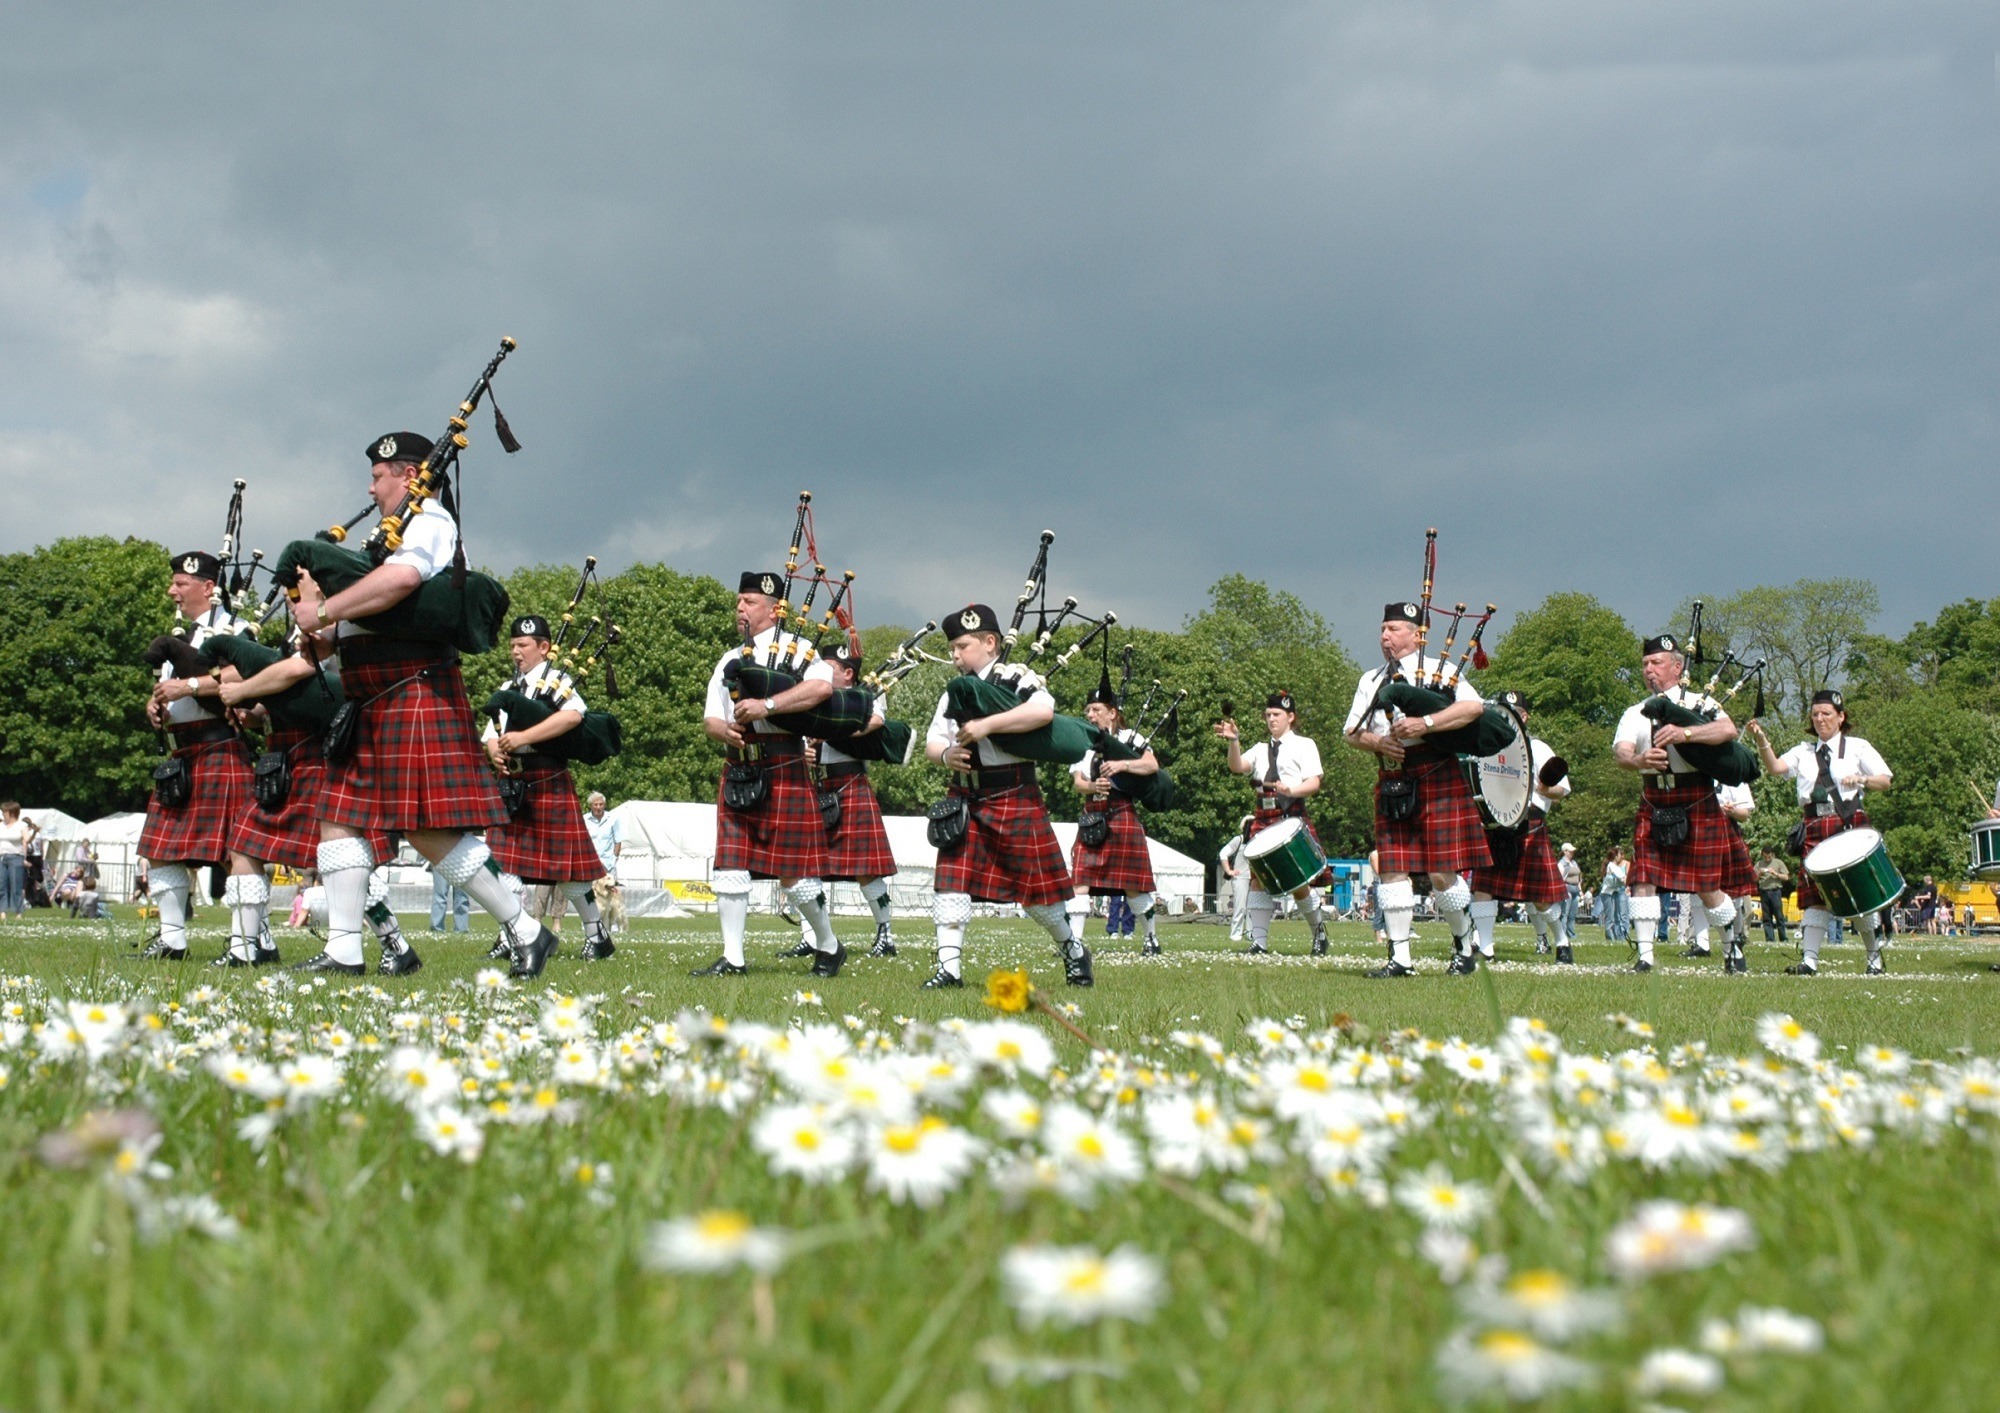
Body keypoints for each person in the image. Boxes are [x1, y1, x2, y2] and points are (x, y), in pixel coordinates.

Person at [289, 431, 559, 978]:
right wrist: (315, 610)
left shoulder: (429, 520)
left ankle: (528, 930)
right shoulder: (381, 536)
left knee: (425, 828)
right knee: (337, 818)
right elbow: (358, 617)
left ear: (407, 475)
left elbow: (402, 581)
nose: (370, 488)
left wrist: (324, 611)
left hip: (413, 689)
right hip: (372, 694)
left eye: (377, 477)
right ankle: (344, 949)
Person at [922, 602, 1093, 988]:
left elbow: (1043, 713)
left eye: (961, 646)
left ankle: (1073, 949)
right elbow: (933, 739)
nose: (954, 655)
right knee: (951, 883)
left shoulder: (1017, 676)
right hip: (964, 798)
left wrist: (986, 725)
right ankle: (949, 970)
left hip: (1013, 793)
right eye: (951, 648)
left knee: (1039, 896)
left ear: (989, 641)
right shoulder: (953, 692)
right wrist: (946, 754)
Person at [217, 640, 411, 970]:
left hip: (319, 755)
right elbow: (288, 696)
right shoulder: (296, 627)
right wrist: (254, 714)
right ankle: (245, 947)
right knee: (242, 842)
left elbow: (300, 669)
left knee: (342, 865)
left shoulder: (324, 622)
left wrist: (242, 689)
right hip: (286, 758)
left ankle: (396, 945)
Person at [691, 571, 843, 979]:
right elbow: (710, 718)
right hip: (740, 766)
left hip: (784, 766)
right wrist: (725, 730)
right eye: (738, 601)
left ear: (774, 609)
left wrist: (768, 706)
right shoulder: (729, 658)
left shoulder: (801, 651)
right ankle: (734, 958)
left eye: (750, 602)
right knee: (730, 864)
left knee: (793, 874)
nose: (741, 608)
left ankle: (828, 944)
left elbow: (821, 689)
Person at [1344, 602, 1489, 978]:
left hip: (1437, 771)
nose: (1385, 637)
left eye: (1393, 629)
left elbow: (1473, 707)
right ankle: (1401, 959)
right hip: (1393, 779)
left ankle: (1463, 944)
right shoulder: (1370, 680)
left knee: (1442, 872)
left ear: (1416, 634)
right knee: (1392, 869)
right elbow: (1351, 733)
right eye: (1382, 629)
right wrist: (1377, 742)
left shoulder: (1441, 672)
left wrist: (1425, 722)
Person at [137, 549, 257, 960]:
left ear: (208, 587)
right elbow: (175, 693)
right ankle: (172, 940)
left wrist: (187, 687)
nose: (172, 591)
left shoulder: (237, 628)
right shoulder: (184, 638)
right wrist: (158, 708)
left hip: (221, 746)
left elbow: (246, 675)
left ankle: (252, 942)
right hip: (183, 753)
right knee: (160, 848)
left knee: (233, 852)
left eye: (180, 584)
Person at [1611, 632, 1754, 973]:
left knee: (1706, 886)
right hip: (1654, 798)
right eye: (1645, 663)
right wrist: (1640, 760)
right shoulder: (1635, 712)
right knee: (1642, 879)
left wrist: (1684, 733)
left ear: (1677, 667)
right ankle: (1645, 957)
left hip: (1696, 798)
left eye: (1656, 663)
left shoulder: (1698, 705)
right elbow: (1621, 753)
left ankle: (1732, 950)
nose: (1649, 670)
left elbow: (1727, 730)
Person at [483, 614, 615, 962]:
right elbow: (489, 735)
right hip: (514, 783)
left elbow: (572, 717)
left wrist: (523, 737)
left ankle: (596, 935)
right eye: (512, 645)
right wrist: (496, 752)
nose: (515, 652)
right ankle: (510, 935)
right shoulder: (510, 688)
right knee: (505, 866)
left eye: (523, 645)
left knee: (567, 873)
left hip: (548, 780)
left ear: (544, 647)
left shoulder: (558, 682)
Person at [1747, 688, 1894, 976]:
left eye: (1826, 714)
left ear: (1841, 717)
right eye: (1815, 714)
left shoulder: (1858, 747)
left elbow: (1885, 781)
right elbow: (1776, 768)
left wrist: (1862, 778)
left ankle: (1874, 960)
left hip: (1848, 823)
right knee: (1814, 896)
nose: (1820, 719)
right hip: (1814, 826)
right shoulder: (1803, 751)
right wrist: (1762, 740)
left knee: (1860, 894)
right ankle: (1809, 961)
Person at [795, 643, 901, 958]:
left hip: (850, 783)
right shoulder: (813, 695)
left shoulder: (866, 696)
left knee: (866, 868)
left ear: (848, 673)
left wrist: (829, 731)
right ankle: (812, 938)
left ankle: (886, 935)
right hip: (817, 784)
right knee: (805, 866)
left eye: (828, 668)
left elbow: (875, 722)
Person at [1466, 693, 1574, 966]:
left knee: (1540, 897)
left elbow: (1563, 789)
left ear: (1524, 716)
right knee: (1483, 888)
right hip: (1495, 821)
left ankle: (1562, 940)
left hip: (1530, 821)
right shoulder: (1488, 745)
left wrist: (1545, 788)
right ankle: (1487, 948)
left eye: (1515, 711)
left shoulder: (1537, 748)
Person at [1222, 690, 1332, 957]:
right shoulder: (1260, 750)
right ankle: (1259, 943)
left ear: (1290, 717)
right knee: (1257, 879)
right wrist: (1234, 742)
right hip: (1263, 817)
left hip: (1291, 815)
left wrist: (1291, 790)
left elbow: (1315, 782)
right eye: (1268, 715)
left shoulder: (1305, 745)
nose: (1271, 719)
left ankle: (1319, 933)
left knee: (1297, 883)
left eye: (1277, 715)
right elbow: (1237, 767)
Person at [1068, 665, 1165, 955]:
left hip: (1122, 813)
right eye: (1088, 710)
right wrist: (1091, 787)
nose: (1090, 715)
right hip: (1092, 816)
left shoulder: (1130, 740)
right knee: (1081, 880)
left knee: (1132, 886)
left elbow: (1152, 765)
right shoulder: (1082, 742)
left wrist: (1123, 764)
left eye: (1096, 709)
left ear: (1112, 712)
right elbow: (1077, 783)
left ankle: (1150, 939)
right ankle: (1075, 944)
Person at [1683, 780, 1756, 972]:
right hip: (1698, 832)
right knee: (1698, 892)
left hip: (1727, 834)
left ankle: (1736, 940)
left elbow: (1745, 813)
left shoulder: (1733, 776)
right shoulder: (1694, 773)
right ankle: (1702, 942)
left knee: (1734, 894)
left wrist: (1728, 810)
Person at [582, 793, 627, 936]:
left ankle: (611, 924)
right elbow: (583, 841)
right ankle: (588, 923)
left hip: (608, 863)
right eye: (595, 805)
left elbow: (618, 840)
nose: (598, 807)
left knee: (611, 895)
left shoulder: (613, 819)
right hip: (591, 862)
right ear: (591, 806)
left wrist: (615, 858)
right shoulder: (584, 819)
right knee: (589, 894)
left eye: (601, 804)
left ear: (604, 805)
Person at [1217, 817, 1253, 942]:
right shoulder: (1239, 840)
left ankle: (1251, 933)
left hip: (1254, 879)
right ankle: (1235, 934)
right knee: (1240, 906)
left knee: (1253, 907)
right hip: (1240, 878)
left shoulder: (1257, 841)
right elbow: (1223, 853)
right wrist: (1228, 871)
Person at [0, 803, 36, 919]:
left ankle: (18, 912)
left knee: (16, 885)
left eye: (5, 812)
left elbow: (27, 839)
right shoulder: (1, 825)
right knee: (2, 885)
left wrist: (34, 833)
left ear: (12, 813)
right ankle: (2, 911)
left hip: (16, 857)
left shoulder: (21, 826)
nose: (3, 814)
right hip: (1, 857)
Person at [1755, 848, 1792, 943]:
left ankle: (1783, 938)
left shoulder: (1778, 863)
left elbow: (1786, 877)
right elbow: (1753, 879)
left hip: (1775, 891)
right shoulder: (1759, 864)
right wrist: (1759, 873)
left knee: (1779, 916)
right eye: (1765, 857)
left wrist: (1775, 873)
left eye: (1769, 857)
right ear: (1762, 855)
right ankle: (1770, 939)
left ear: (1773, 855)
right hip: (1764, 892)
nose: (1767, 859)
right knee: (1766, 917)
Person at [1599, 846, 1630, 942]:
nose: (1621, 856)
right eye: (1620, 854)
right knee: (1610, 917)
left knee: (1616, 916)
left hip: (1613, 892)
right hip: (1607, 894)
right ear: (1616, 856)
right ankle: (1610, 938)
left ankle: (1618, 936)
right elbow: (1623, 878)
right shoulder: (1611, 866)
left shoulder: (1614, 866)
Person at [1557, 844, 1583, 941]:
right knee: (1565, 914)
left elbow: (1578, 878)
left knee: (1572, 915)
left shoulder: (1574, 863)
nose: (1572, 853)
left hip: (1575, 890)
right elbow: (1560, 880)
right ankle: (1562, 934)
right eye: (1570, 851)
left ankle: (1571, 934)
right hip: (1566, 890)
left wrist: (1581, 891)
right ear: (1565, 851)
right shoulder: (1561, 864)